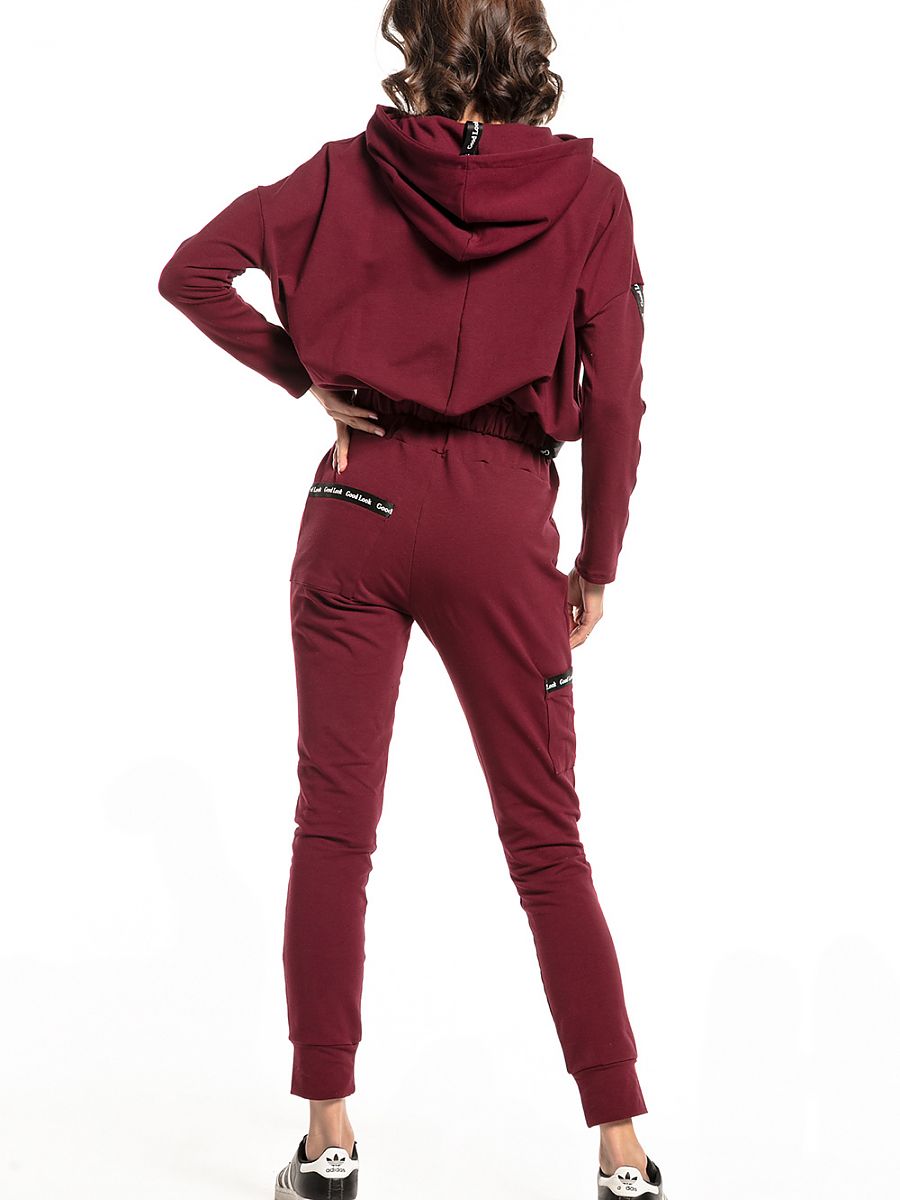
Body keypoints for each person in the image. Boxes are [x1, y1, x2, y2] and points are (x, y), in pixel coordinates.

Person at [158, 2, 665, 1197]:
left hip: (361, 499)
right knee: (547, 839)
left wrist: (309, 382)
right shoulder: (592, 199)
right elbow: (617, 398)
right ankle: (622, 1152)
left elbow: (193, 272)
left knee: (334, 825)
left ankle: (328, 1140)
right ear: (527, 54)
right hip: (501, 518)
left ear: (418, 49)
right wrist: (598, 560)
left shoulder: (345, 174)